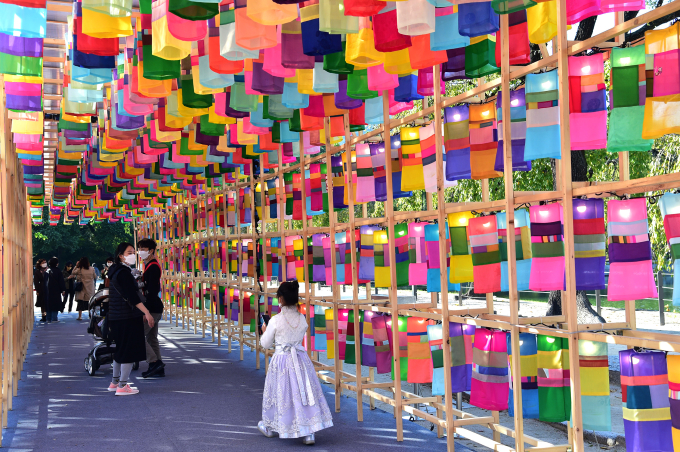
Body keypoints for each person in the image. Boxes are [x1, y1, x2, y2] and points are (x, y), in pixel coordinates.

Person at [258, 280, 333, 445]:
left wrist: (264, 331)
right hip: (300, 359)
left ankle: (271, 427)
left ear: (281, 299)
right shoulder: (302, 318)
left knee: (281, 394)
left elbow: (265, 344)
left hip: (282, 361)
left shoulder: (276, 320)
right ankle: (309, 431)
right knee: (304, 392)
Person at [107, 242, 156, 396]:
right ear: (120, 255)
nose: (133, 254)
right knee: (128, 351)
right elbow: (132, 296)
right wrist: (146, 312)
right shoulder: (124, 273)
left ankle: (115, 382)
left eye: (133, 251)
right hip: (127, 316)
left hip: (115, 316)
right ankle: (122, 385)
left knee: (120, 350)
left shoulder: (114, 271)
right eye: (129, 252)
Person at [137, 238, 165, 378]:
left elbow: (152, 291)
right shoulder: (149, 265)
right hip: (155, 307)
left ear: (152, 250)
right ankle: (158, 366)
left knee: (138, 336)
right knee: (152, 337)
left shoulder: (153, 267)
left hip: (152, 307)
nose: (140, 252)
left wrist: (145, 312)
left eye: (143, 249)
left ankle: (154, 362)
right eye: (140, 249)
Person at [44, 257, 66, 322]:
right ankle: (54, 318)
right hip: (56, 290)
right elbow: (61, 281)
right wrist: (63, 290)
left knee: (48, 304)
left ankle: (48, 318)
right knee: (55, 304)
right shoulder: (58, 271)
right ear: (56, 263)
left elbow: (44, 282)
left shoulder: (47, 271)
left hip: (48, 290)